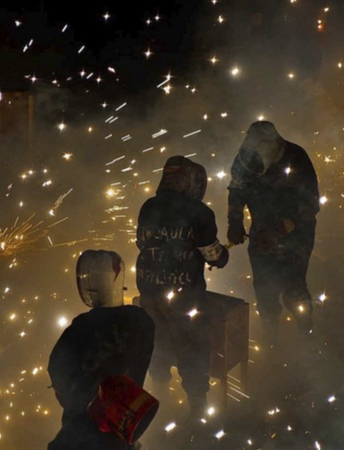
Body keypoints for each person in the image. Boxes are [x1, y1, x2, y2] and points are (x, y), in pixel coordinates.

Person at [135, 155, 229, 422]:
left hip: (151, 294)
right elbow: (213, 255)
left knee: (158, 347)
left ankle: (158, 408)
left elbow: (144, 244)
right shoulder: (199, 212)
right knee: (192, 350)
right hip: (185, 299)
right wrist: (222, 256)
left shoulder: (148, 207)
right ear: (190, 182)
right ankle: (198, 414)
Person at [47, 250, 155, 450]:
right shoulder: (143, 322)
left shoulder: (80, 329)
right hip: (125, 425)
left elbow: (57, 372)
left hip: (80, 434)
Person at [227, 121, 319, 347]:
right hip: (261, 231)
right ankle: (272, 339)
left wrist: (279, 231)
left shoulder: (296, 158)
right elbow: (237, 191)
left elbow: (310, 204)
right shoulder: (244, 160)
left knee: (294, 288)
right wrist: (235, 222)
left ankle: (306, 332)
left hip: (297, 234)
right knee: (264, 288)